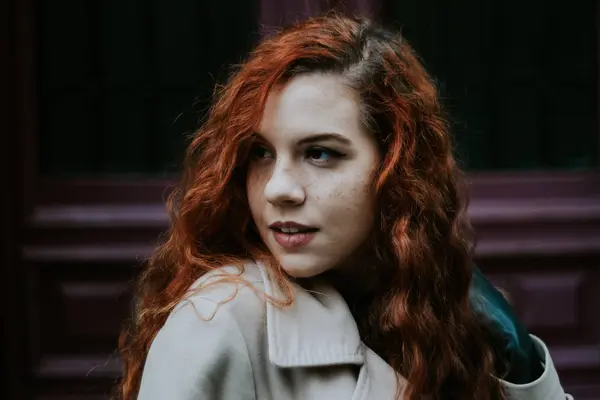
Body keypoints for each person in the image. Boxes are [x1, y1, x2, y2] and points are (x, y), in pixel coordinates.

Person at [115, 14, 572, 400]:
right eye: (260, 152)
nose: (278, 189)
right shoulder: (217, 320)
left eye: (320, 153)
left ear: (396, 169)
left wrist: (521, 369)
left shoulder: (436, 311)